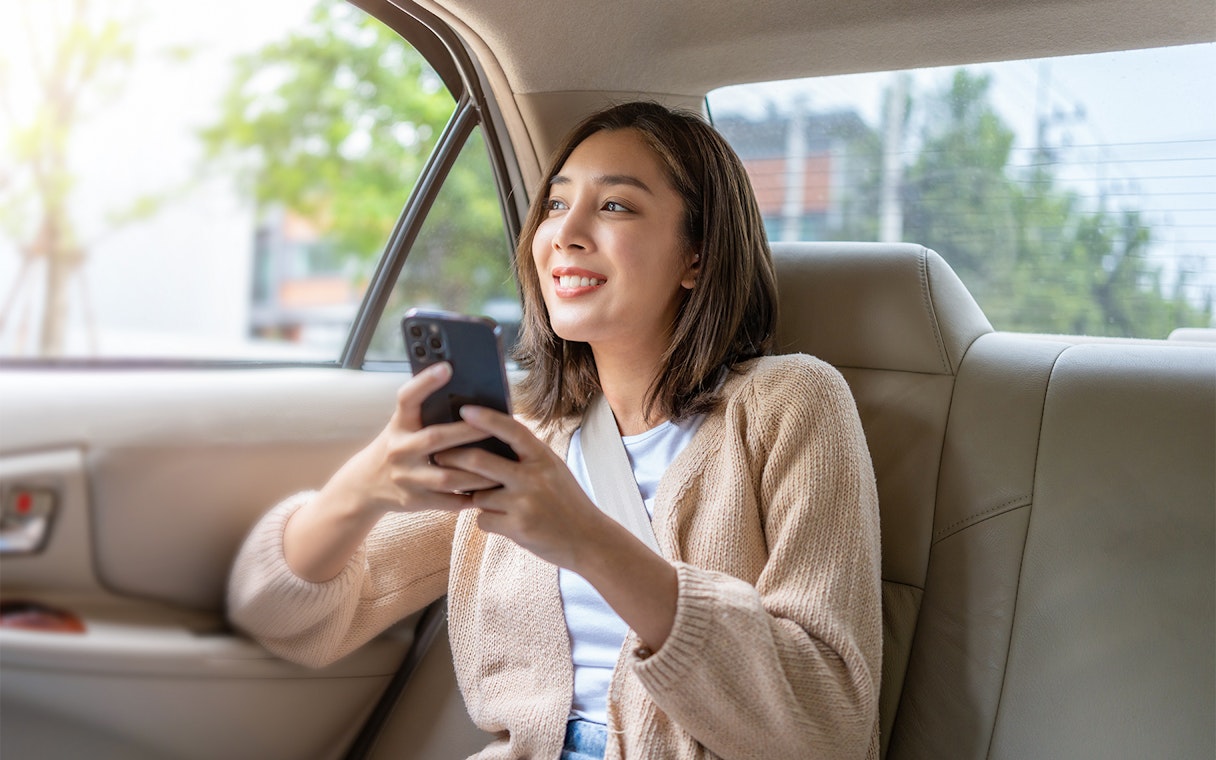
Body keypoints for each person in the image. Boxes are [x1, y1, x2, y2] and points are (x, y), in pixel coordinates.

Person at [227, 101, 881, 760]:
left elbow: (828, 725)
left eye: (617, 206)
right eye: (555, 205)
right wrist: (363, 487)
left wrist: (588, 538)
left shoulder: (791, 403)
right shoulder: (529, 428)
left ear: (697, 257)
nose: (564, 234)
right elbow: (284, 619)